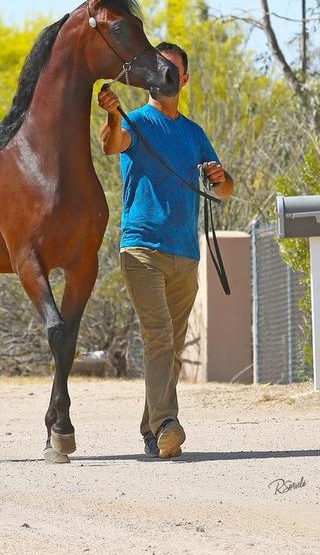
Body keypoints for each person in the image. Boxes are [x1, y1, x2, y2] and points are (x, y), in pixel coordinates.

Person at [97, 41, 233, 459]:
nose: (165, 75)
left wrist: (218, 174)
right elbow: (110, 144)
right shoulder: (133, 122)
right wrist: (111, 114)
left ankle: (150, 429)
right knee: (158, 338)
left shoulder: (193, 133)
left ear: (185, 79)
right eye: (158, 69)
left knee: (170, 349)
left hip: (185, 255)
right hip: (141, 250)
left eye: (172, 70)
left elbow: (225, 191)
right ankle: (168, 424)